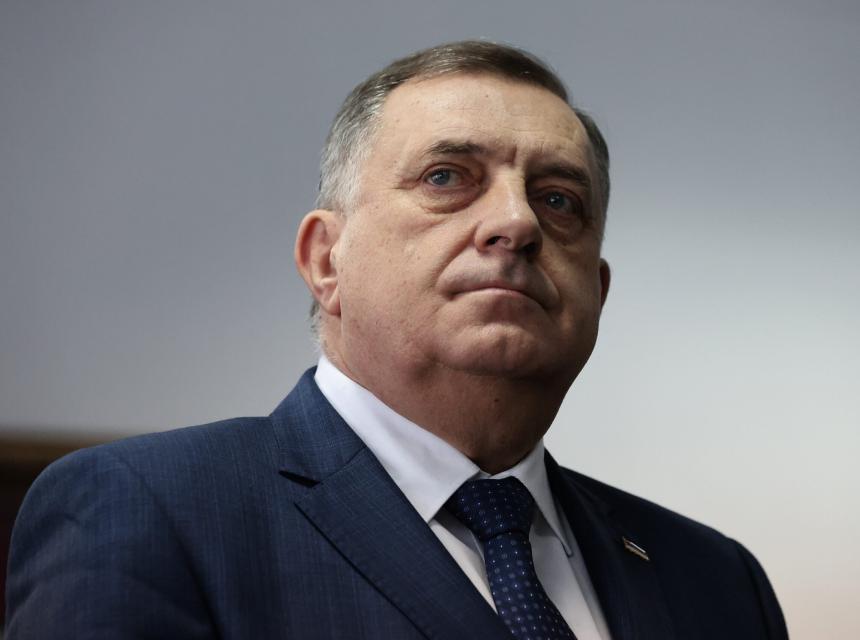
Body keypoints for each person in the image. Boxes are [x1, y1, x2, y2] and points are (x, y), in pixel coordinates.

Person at [5, 41, 788, 639]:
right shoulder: (147, 510)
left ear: (598, 293)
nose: (517, 222)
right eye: (447, 177)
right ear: (326, 260)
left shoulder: (717, 581)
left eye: (558, 199)